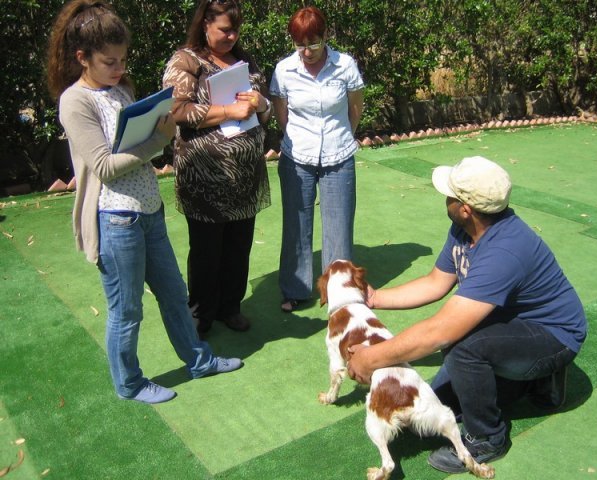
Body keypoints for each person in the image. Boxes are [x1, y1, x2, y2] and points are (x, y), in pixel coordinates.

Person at [47, 0, 243, 405]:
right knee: (126, 310)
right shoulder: (75, 101)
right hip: (114, 218)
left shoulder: (121, 88)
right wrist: (158, 140)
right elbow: (103, 165)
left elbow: (133, 144)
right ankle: (130, 383)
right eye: (109, 61)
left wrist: (159, 126)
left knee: (174, 294)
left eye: (122, 59)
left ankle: (199, 360)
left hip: (148, 212)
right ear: (82, 58)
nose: (119, 69)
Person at [347, 156, 587, 472]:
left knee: (462, 348)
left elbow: (439, 332)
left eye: (450, 195)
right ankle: (535, 383)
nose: (444, 199)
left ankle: (489, 438)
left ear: (465, 208)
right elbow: (436, 282)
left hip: (553, 335)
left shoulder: (505, 250)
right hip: (510, 323)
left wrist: (370, 358)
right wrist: (375, 298)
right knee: (447, 399)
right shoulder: (465, 229)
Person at [163, 0, 271, 335]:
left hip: (245, 176)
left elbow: (264, 108)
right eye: (225, 29)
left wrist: (260, 103)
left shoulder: (245, 59)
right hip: (204, 176)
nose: (231, 36)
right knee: (207, 251)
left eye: (236, 30)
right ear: (205, 23)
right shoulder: (186, 61)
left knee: (239, 246)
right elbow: (176, 110)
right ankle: (201, 315)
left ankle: (230, 307)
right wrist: (227, 111)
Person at [269, 6, 364, 313]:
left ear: (326, 37)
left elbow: (355, 109)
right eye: (300, 44)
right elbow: (282, 114)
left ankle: (340, 293)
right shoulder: (284, 70)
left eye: (313, 43)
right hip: (297, 156)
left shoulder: (345, 65)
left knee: (339, 227)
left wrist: (344, 136)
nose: (306, 51)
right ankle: (295, 290)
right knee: (296, 225)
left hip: (339, 153)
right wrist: (299, 139)